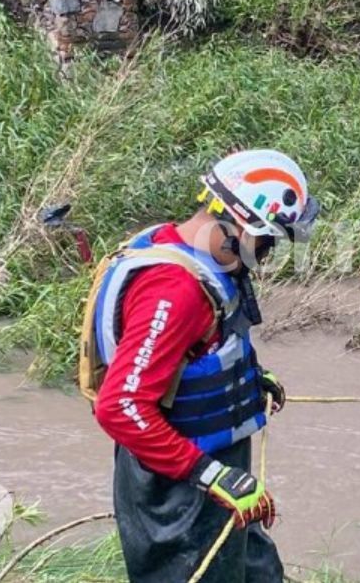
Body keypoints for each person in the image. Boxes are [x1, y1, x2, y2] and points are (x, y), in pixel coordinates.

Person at [81, 149, 320, 583]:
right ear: (239, 230)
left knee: (259, 572)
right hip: (178, 482)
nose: (268, 254)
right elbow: (119, 406)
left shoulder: (180, 245)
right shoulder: (175, 290)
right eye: (269, 241)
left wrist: (247, 379)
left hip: (209, 469)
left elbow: (196, 351)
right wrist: (209, 475)